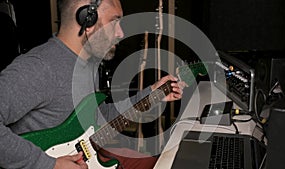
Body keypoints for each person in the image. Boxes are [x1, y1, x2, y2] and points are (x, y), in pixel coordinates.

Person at [0, 0, 184, 169]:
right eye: (114, 21)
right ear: (87, 20)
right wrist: (49, 164)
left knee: (164, 162)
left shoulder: (88, 63)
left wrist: (152, 94)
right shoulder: (39, 67)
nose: (121, 33)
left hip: (86, 156)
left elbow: (98, 118)